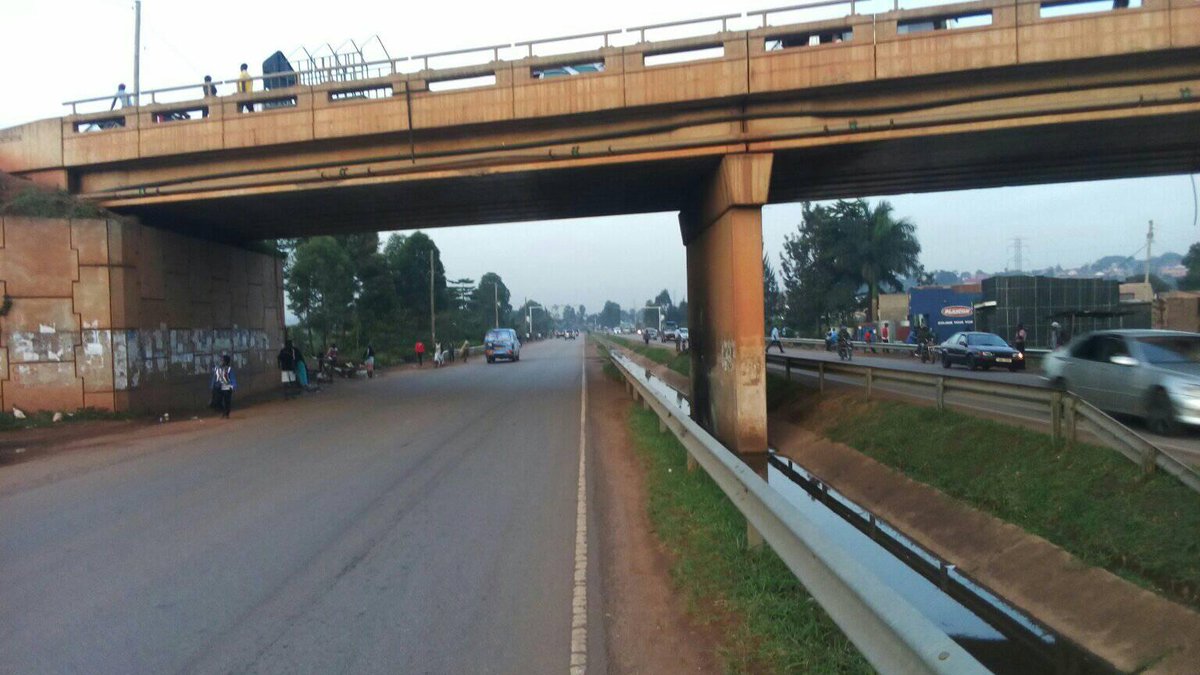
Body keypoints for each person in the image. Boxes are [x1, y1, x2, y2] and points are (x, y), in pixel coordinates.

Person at [211, 354, 237, 418]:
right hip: (219, 386)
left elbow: (232, 377)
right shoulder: (218, 368)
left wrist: (234, 385)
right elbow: (215, 378)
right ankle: (223, 411)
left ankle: (226, 413)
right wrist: (212, 385)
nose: (221, 361)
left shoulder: (229, 369)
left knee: (227, 401)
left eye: (222, 360)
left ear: (225, 362)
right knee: (217, 400)